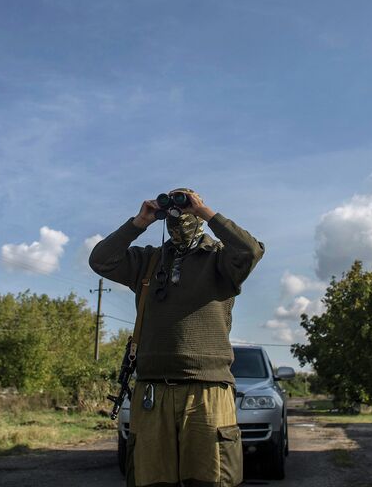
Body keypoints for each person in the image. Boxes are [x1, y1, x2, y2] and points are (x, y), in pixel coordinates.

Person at [89, 188, 264, 487]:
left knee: (211, 479)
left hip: (206, 389)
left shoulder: (221, 259)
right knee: (149, 479)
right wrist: (139, 222)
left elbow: (250, 250)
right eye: (173, 207)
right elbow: (101, 260)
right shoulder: (149, 260)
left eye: (187, 205)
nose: (179, 215)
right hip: (152, 391)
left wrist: (206, 213)